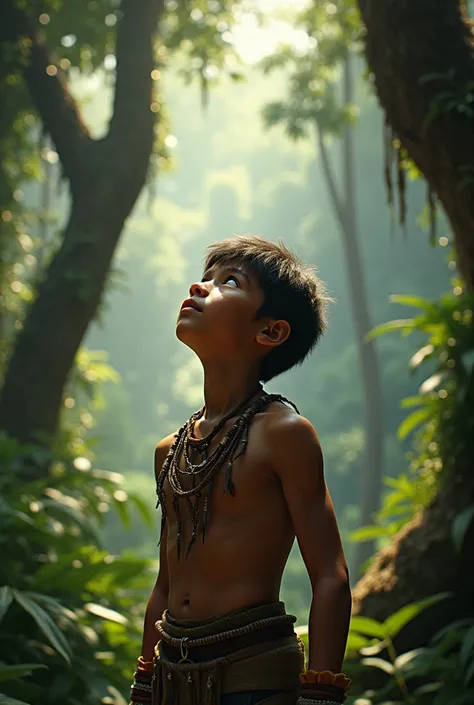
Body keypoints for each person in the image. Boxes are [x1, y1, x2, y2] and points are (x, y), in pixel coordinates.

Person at [130, 236, 352, 705]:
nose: (200, 286)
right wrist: (146, 680)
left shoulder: (285, 434)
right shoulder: (171, 451)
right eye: (206, 276)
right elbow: (165, 584)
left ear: (270, 332)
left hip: (254, 676)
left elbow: (330, 573)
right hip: (172, 676)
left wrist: (321, 692)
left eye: (228, 281)